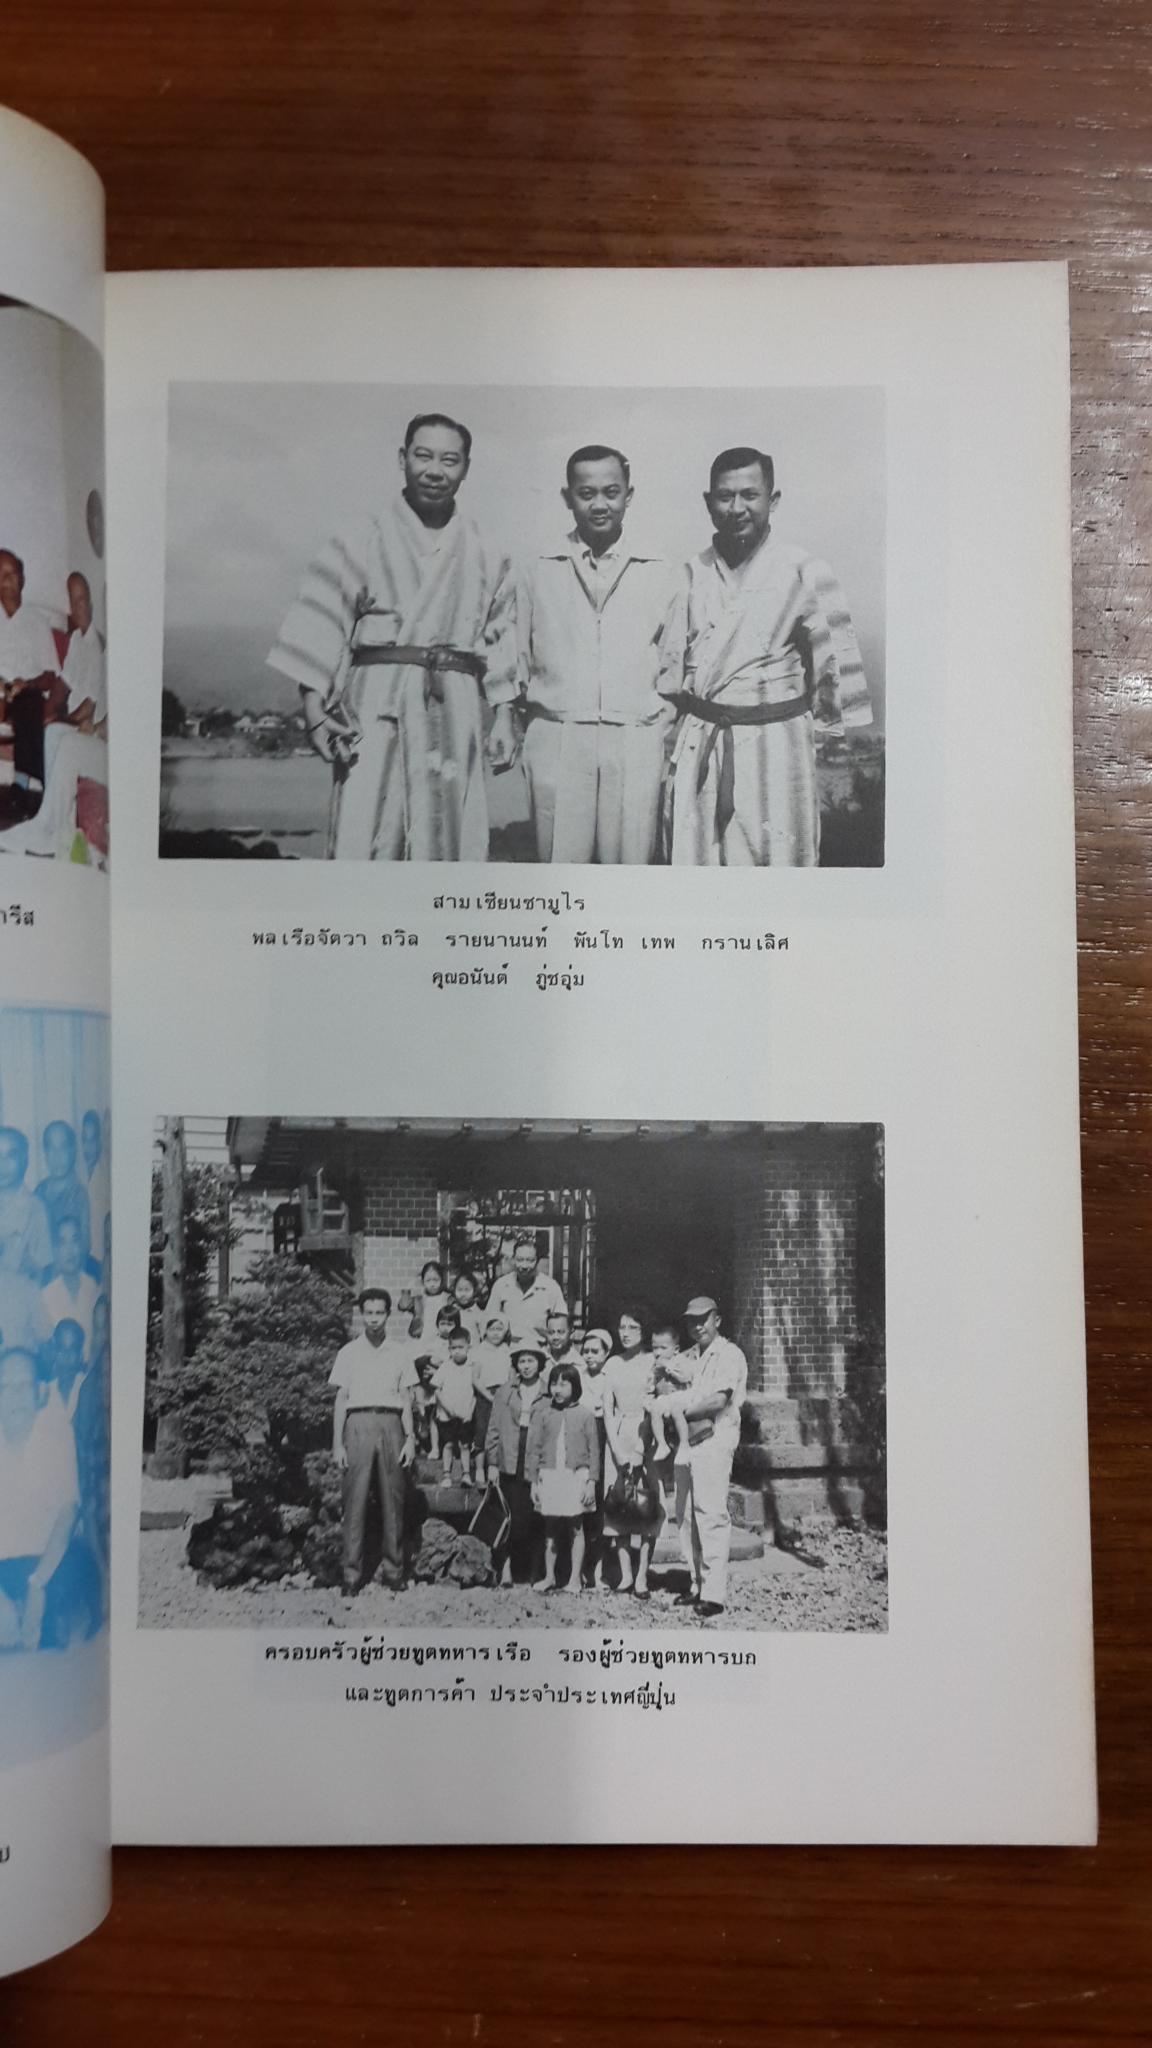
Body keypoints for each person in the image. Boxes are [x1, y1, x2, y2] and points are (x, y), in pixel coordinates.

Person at [267, 413, 518, 862]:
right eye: (423, 456)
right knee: (364, 830)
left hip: (455, 706)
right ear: (402, 458)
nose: (435, 471)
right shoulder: (359, 537)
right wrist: (314, 711)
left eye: (449, 460)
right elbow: (323, 623)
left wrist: (503, 716)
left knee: (450, 837)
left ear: (466, 468)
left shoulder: (488, 550)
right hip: (373, 705)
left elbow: (502, 637)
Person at [659, 447, 870, 866]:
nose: (737, 508)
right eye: (724, 496)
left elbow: (836, 664)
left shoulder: (807, 572)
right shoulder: (689, 575)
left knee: (780, 863)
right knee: (697, 866)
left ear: (773, 500)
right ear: (708, 503)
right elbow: (668, 676)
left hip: (778, 749)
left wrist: (827, 729)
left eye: (750, 495)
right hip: (702, 745)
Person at [516, 445, 682, 863]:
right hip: (558, 735)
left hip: (635, 737)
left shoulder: (661, 570)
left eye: (611, 492)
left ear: (629, 494)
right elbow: (514, 654)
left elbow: (674, 659)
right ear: (567, 497)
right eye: (586, 493)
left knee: (628, 873)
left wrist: (654, 724)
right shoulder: (537, 568)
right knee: (560, 869)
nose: (600, 504)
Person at [0, 1348, 100, 1650]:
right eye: (6, 1386)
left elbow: (69, 1511)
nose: (15, 1396)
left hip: (48, 1564)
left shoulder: (56, 1433)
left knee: (70, 1590)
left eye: (24, 1386)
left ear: (40, 1392)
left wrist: (37, 1584)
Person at [328, 1288, 417, 1596]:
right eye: (369, 1312)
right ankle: (351, 1574)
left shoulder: (400, 1351)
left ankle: (394, 1572)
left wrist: (411, 1438)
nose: (375, 1319)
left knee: (394, 1499)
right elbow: (340, 1400)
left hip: (391, 1424)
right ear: (362, 1314)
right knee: (354, 1501)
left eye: (380, 1312)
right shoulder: (348, 1352)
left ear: (388, 1314)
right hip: (358, 1425)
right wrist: (338, 1444)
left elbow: (407, 1398)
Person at [673, 1296, 749, 1618]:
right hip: (692, 1440)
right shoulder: (696, 1357)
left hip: (715, 1440)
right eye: (692, 1320)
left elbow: (718, 1400)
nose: (698, 1325)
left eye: (704, 1319)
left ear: (718, 1320)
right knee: (688, 1515)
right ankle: (697, 1585)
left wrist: (681, 1411)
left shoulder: (728, 1354)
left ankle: (714, 1595)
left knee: (711, 1513)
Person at [601, 1307, 663, 1599]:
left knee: (647, 1505)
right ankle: (626, 1575)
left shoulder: (653, 1362)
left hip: (648, 1434)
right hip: (618, 1436)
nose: (624, 1333)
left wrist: (641, 1448)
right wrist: (615, 1448)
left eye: (632, 1327)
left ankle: (642, 1577)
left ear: (644, 1331)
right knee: (620, 1505)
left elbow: (656, 1405)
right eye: (622, 1326)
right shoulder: (612, 1364)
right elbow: (608, 1409)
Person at [526, 1364, 599, 1593]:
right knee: (551, 1528)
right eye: (553, 1383)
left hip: (576, 1476)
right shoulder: (543, 1414)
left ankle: (575, 1579)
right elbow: (534, 1449)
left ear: (575, 1386)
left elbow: (594, 1451)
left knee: (576, 1527)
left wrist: (591, 1483)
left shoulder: (586, 1415)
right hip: (550, 1475)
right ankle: (550, 1577)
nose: (557, 1389)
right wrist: (533, 1482)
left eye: (563, 1383)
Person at [0, 547, 60, 810]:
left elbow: (50, 676)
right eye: (2, 574)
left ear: (22, 579)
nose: (9, 580)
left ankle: (22, 785)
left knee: (28, 700)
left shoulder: (37, 620)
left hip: (27, 695)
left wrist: (27, 683)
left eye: (13, 573)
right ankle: (49, 785)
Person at [484, 1344, 549, 1587]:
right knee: (508, 1514)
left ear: (540, 1363)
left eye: (531, 1360)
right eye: (522, 1361)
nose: (526, 1366)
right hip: (510, 1454)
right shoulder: (505, 1391)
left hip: (536, 1454)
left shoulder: (547, 1391)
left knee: (535, 1514)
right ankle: (506, 1570)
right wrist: (492, 1462)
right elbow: (493, 1427)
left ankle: (536, 1571)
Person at [0, 1129, 52, 1320]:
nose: (3, 1164)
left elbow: (43, 1269)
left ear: (24, 1161)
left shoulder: (35, 1208)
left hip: (17, 1307)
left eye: (11, 1155)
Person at [485, 1236, 567, 1349]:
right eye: (520, 1259)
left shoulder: (551, 1287)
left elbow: (562, 1324)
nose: (524, 1266)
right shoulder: (502, 1285)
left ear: (537, 1260)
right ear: (513, 1259)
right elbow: (489, 1319)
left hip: (539, 1349)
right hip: (508, 1349)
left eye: (530, 1260)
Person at [578, 1327, 613, 1588]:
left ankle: (599, 1572)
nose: (589, 1356)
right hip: (581, 1439)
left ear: (606, 1353)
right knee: (581, 1504)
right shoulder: (577, 1376)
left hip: (605, 1437)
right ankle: (577, 1569)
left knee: (601, 1507)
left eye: (595, 1351)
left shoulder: (610, 1377)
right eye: (586, 1351)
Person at [38, 1217, 98, 1359]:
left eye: (74, 1240)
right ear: (56, 1250)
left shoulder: (94, 1287)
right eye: (63, 1242)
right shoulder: (46, 1296)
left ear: (82, 1245)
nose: (70, 1250)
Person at [35, 1122, 90, 1272]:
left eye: (63, 1147)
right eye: (51, 1148)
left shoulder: (80, 1195)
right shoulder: (39, 1190)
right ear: (45, 1153)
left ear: (72, 1152)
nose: (56, 1156)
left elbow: (84, 1247)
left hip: (66, 1274)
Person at [430, 1323, 476, 1486]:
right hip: (448, 1415)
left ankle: (466, 1475)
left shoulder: (472, 1366)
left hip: (465, 1415)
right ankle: (447, 1475)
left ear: (468, 1346)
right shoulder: (445, 1366)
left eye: (460, 1347)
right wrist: (448, 1409)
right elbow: (437, 1390)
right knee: (448, 1444)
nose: (456, 1351)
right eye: (453, 1348)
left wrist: (470, 1412)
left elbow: (475, 1393)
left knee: (465, 1445)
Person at [469, 1309, 512, 1476]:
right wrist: (489, 1396)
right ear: (484, 1331)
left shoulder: (507, 1351)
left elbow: (510, 1376)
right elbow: (475, 1379)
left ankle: (497, 1470)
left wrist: (503, 1396)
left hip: (503, 1395)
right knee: (482, 1431)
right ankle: (480, 1470)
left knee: (500, 1432)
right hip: (484, 1395)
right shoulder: (479, 1351)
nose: (495, 1333)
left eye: (499, 1329)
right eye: (491, 1329)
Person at [80, 1111, 110, 1282]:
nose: (88, 1147)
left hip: (102, 1265)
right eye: (85, 1140)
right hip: (89, 1264)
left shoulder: (104, 1177)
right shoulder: (84, 1178)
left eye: (93, 1140)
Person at [543, 1306, 583, 1387]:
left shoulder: (578, 1363)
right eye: (551, 1332)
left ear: (571, 1332)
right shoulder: (539, 1358)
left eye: (561, 1332)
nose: (555, 1337)